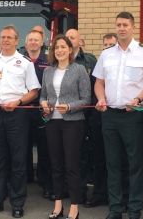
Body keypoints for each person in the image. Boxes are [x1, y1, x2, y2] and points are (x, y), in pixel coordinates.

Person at [93, 12, 143, 219]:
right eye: (118, 25)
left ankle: (134, 209)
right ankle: (115, 209)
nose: (121, 28)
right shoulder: (106, 54)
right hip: (110, 116)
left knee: (134, 165)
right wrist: (100, 98)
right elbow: (98, 82)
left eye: (125, 25)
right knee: (112, 164)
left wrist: (139, 100)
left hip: (133, 116)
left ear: (133, 27)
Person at [0, 24, 40, 218]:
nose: (5, 40)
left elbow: (33, 91)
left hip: (17, 115)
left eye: (9, 37)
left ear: (16, 40)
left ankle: (17, 203)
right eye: (3, 37)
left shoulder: (25, 63)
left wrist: (19, 101)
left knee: (17, 161)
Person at [40, 34, 91, 219]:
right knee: (56, 165)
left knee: (72, 166)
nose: (59, 50)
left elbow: (86, 99)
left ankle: (74, 207)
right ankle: (58, 205)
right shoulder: (48, 71)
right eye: (56, 47)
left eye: (63, 47)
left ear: (70, 50)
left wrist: (69, 107)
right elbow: (43, 94)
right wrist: (44, 103)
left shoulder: (79, 70)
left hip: (73, 123)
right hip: (52, 122)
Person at [85, 32, 129, 212]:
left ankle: (122, 198)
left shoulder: (123, 67)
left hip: (120, 117)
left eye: (112, 44)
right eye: (106, 45)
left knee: (121, 160)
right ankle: (99, 194)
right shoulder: (99, 66)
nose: (108, 47)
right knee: (99, 158)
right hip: (99, 118)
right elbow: (91, 92)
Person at [66, 28, 97, 203]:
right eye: (67, 37)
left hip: (85, 115)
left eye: (73, 38)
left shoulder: (90, 61)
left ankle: (82, 191)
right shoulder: (58, 60)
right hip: (64, 116)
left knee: (82, 155)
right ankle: (65, 189)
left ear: (79, 41)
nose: (70, 41)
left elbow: (95, 87)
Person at [23, 29, 52, 198]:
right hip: (23, 109)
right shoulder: (19, 60)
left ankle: (44, 179)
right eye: (30, 40)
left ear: (42, 42)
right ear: (26, 43)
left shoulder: (48, 61)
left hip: (42, 110)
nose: (33, 42)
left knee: (44, 146)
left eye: (36, 40)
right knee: (23, 144)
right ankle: (26, 176)